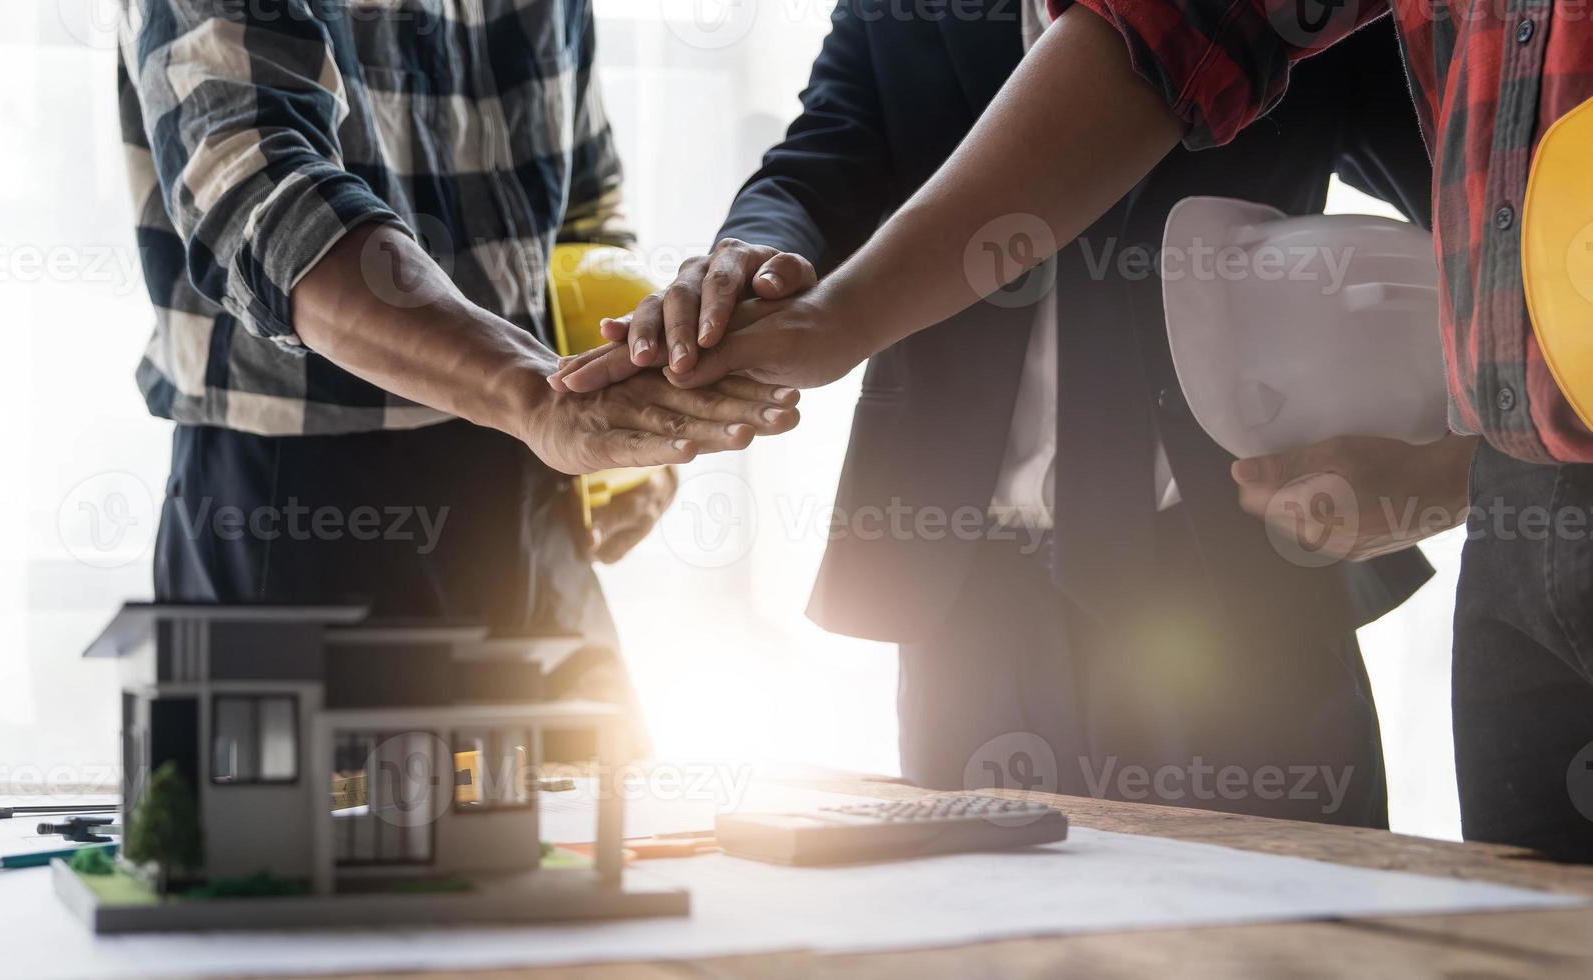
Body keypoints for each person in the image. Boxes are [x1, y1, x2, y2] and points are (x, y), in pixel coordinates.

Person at [560, 1, 1588, 857]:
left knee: (1283, 938)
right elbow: (821, 158)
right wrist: (750, 254)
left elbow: (1498, 217)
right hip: (968, 590)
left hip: (1237, 578)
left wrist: (1454, 463)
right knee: (972, 940)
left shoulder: (1317, 26)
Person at [114, 2, 799, 705]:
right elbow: (267, 206)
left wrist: (630, 396)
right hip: (294, 499)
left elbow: (585, 211)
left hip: (529, 463)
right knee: (297, 811)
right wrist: (533, 391)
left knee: (586, 801)